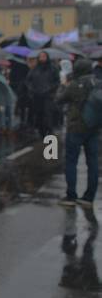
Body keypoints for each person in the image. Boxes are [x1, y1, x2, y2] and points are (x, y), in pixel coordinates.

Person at [56, 58, 98, 207]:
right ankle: (89, 198)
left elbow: (59, 100)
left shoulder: (74, 85)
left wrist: (62, 85)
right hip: (94, 128)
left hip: (76, 128)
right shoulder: (98, 83)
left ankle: (71, 196)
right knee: (93, 162)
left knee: (71, 161)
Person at [27, 50, 58, 139]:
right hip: (37, 96)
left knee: (48, 113)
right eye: (40, 56)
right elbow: (28, 80)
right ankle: (41, 131)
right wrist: (32, 89)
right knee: (39, 113)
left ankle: (50, 130)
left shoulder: (52, 68)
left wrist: (51, 89)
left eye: (44, 56)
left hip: (48, 95)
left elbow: (57, 81)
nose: (42, 58)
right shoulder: (35, 69)